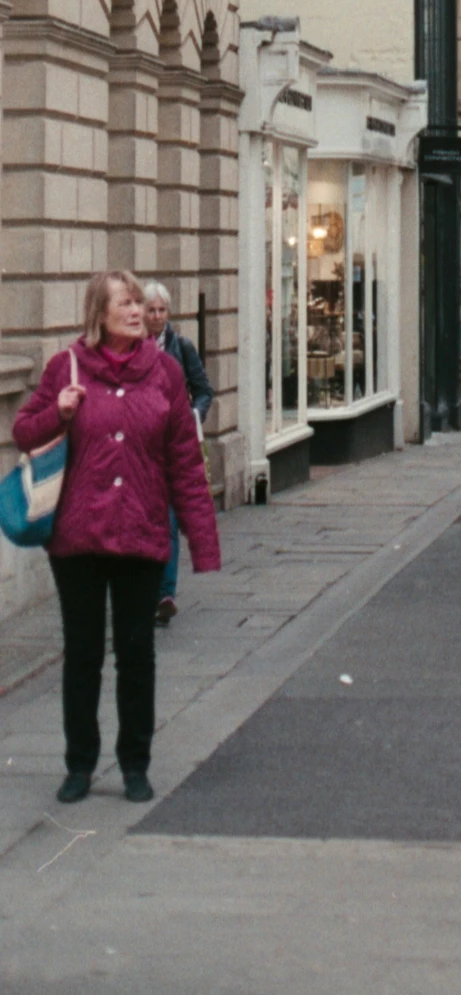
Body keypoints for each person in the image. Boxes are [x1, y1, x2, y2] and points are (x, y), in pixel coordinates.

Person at [12, 269, 219, 806]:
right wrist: (58, 413)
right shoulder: (67, 367)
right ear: (98, 315)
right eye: (124, 303)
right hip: (78, 538)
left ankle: (135, 764)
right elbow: (24, 431)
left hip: (142, 532)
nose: (137, 310)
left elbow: (184, 463)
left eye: (139, 303)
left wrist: (203, 542)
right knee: (82, 652)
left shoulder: (167, 373)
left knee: (136, 652)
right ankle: (79, 766)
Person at [140, 281, 212, 627]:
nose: (156, 317)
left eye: (161, 310)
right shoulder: (127, 347)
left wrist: (193, 418)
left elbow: (203, 391)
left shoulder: (181, 347)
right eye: (151, 310)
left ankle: (164, 595)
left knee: (167, 519)